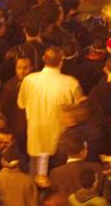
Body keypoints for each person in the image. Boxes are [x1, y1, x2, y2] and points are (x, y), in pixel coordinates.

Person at [17, 46, 83, 179]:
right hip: (61, 144)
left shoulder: (29, 81)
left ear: (43, 59)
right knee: (59, 181)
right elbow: (79, 110)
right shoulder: (70, 83)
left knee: (37, 182)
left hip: (37, 143)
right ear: (61, 62)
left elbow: (21, 104)